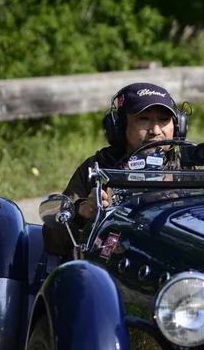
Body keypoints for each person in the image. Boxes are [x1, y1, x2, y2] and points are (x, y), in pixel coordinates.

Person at [43, 82, 189, 255]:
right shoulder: (97, 168)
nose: (156, 130)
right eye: (143, 119)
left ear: (178, 125)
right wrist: (84, 212)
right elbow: (52, 242)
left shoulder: (191, 168)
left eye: (164, 120)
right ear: (118, 127)